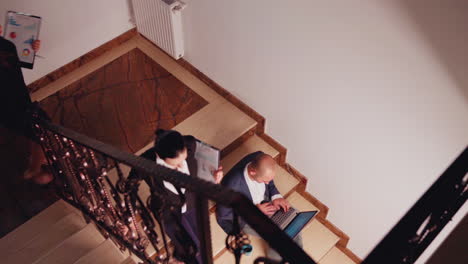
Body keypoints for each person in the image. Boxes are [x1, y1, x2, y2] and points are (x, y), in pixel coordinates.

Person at [128, 129, 223, 264]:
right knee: (187, 245)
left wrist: (212, 174)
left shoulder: (189, 142)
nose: (180, 167)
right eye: (174, 164)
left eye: (183, 160)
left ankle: (180, 257)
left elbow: (203, 158)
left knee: (200, 240)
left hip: (192, 202)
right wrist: (131, 217)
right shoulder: (146, 162)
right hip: (169, 211)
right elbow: (129, 187)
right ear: (160, 156)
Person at [216, 151, 302, 261]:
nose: (267, 183)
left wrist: (276, 197)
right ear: (252, 172)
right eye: (264, 181)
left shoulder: (260, 159)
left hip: (263, 203)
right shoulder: (231, 186)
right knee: (277, 235)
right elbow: (224, 216)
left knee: (293, 217)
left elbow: (269, 181)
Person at [0, 24, 50, 185]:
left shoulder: (8, 45)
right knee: (40, 124)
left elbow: (21, 62)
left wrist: (29, 49)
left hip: (16, 105)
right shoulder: (7, 45)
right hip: (14, 106)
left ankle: (39, 167)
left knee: (38, 125)